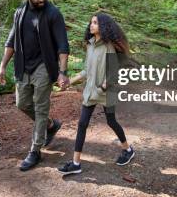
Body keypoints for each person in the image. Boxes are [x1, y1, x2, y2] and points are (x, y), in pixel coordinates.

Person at [0, 0, 71, 171]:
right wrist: (2, 66)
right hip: (23, 66)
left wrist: (63, 72)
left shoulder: (53, 13)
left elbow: (63, 45)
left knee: (40, 108)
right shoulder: (20, 12)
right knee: (22, 103)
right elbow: (11, 41)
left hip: (44, 67)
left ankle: (35, 151)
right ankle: (50, 125)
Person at [58, 13, 135, 175]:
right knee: (82, 124)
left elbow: (113, 75)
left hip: (106, 92)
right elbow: (87, 70)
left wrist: (101, 89)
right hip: (90, 92)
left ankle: (128, 149)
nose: (91, 25)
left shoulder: (109, 47)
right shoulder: (91, 44)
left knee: (111, 121)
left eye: (95, 23)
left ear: (104, 27)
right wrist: (69, 82)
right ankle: (76, 163)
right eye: (91, 22)